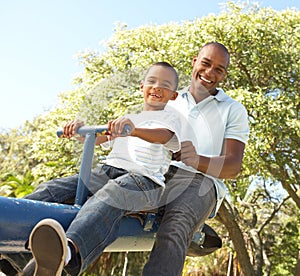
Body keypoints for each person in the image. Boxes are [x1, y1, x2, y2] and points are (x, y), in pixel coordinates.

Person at [2, 61, 181, 276]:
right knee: (54, 189)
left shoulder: (171, 119)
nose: (157, 87)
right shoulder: (129, 118)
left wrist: (134, 131)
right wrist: (78, 131)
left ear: (173, 95)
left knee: (112, 194)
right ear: (142, 87)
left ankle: (68, 252)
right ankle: (8, 245)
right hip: (107, 171)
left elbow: (166, 137)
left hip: (144, 181)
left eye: (165, 84)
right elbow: (97, 140)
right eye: (152, 81)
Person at [141, 42, 250, 275]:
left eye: (219, 69)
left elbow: (233, 167)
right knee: (103, 196)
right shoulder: (169, 99)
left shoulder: (233, 109)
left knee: (176, 224)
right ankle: (67, 251)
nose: (210, 73)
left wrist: (196, 160)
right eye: (206, 63)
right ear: (194, 62)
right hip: (157, 173)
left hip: (201, 181)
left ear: (224, 75)